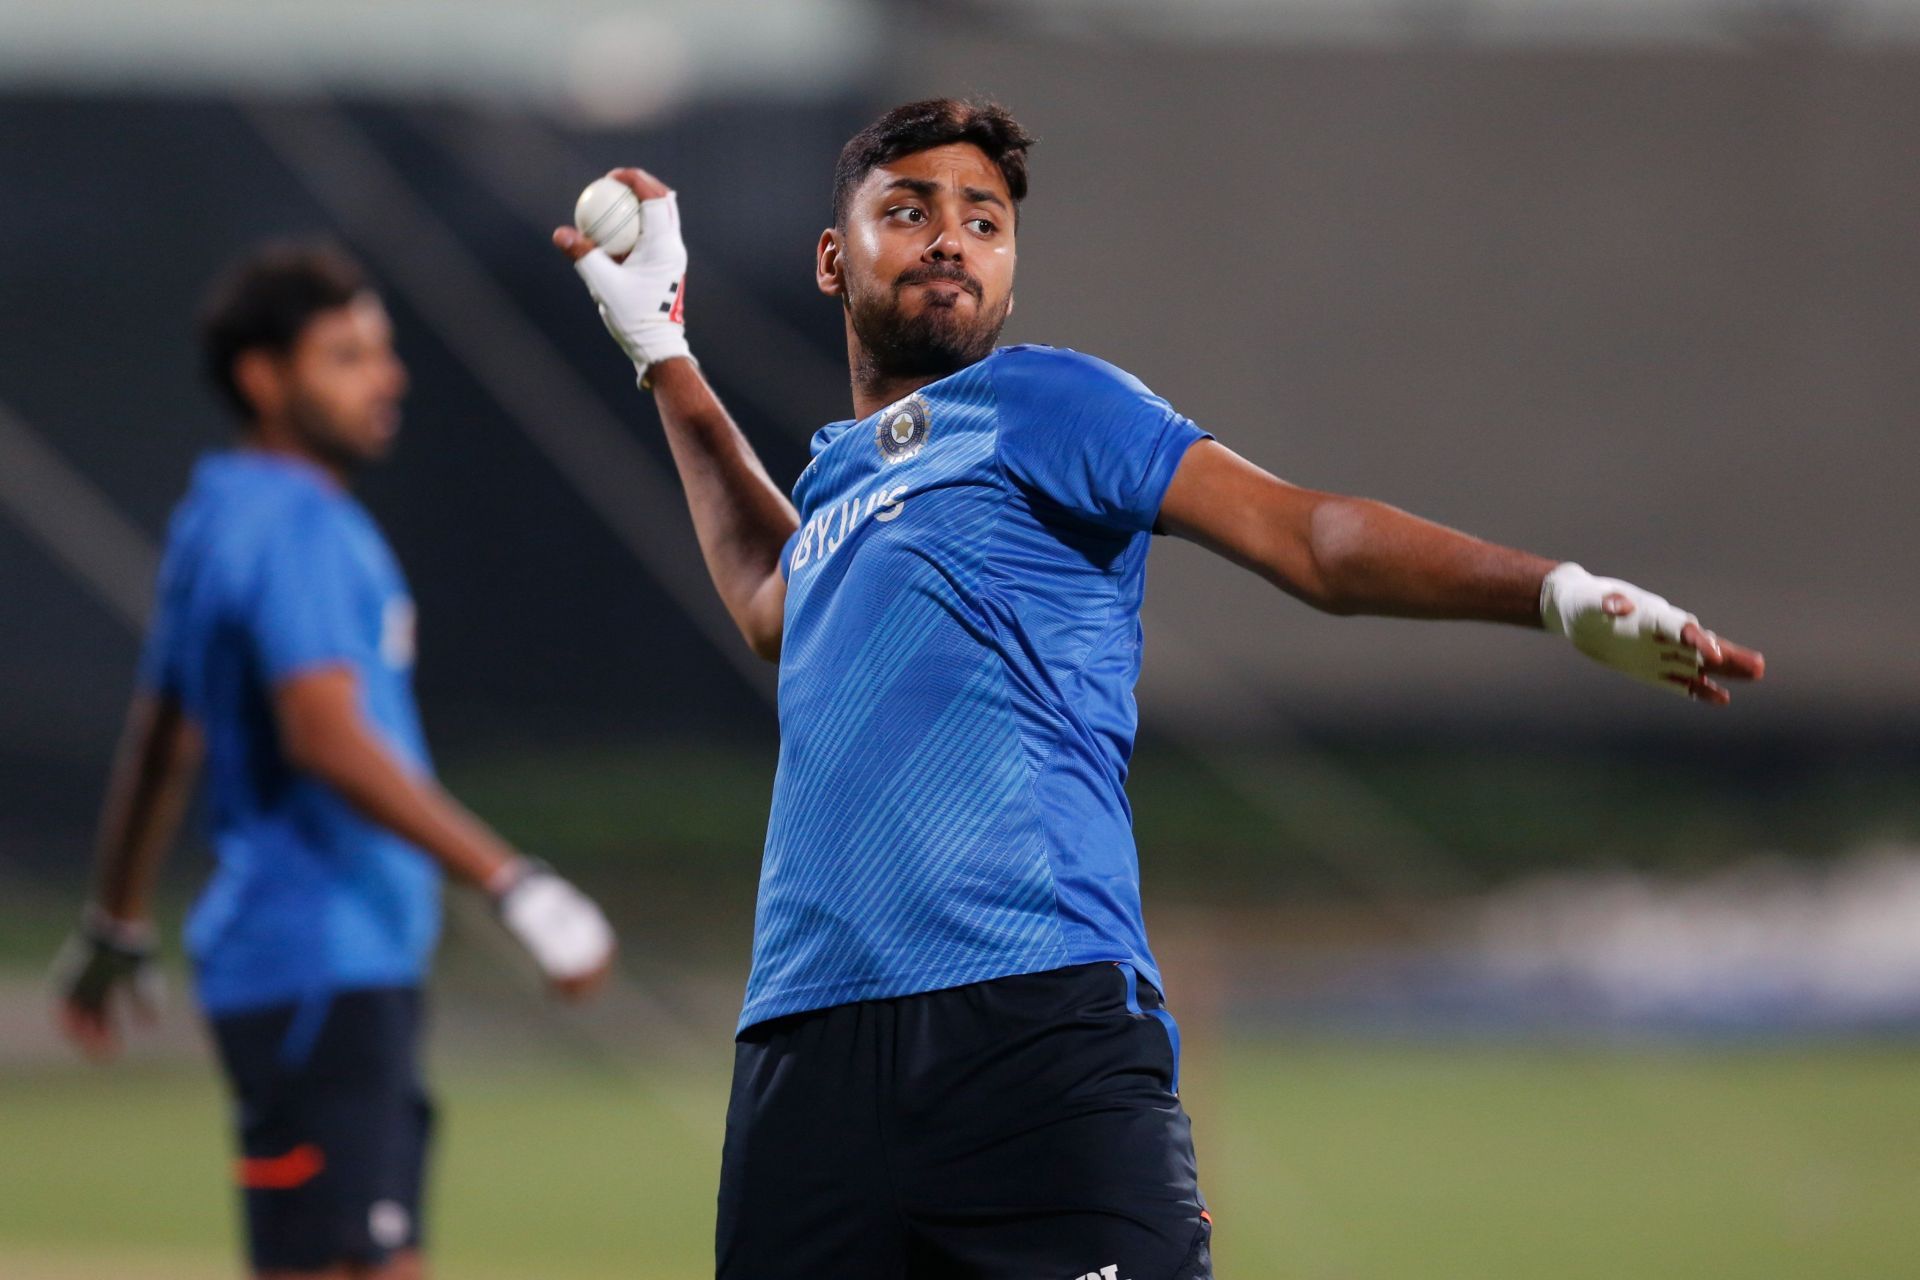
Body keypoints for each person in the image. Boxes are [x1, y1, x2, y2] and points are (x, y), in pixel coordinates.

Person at [552, 98, 1765, 1280]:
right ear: (835, 258)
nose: (949, 239)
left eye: (983, 221)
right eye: (909, 210)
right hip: (803, 1044)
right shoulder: (836, 484)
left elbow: (1311, 540)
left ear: (1011, 271)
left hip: (1026, 1020)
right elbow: (775, 595)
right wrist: (664, 354)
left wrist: (1554, 592)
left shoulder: (1047, 402)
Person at [52, 242, 618, 1280]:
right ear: (266, 377)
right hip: (324, 965)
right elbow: (323, 730)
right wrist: (513, 878)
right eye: (347, 354)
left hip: (299, 971)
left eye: (382, 350)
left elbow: (162, 737)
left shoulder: (213, 513)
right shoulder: (302, 521)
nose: (386, 375)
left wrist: (114, 917)